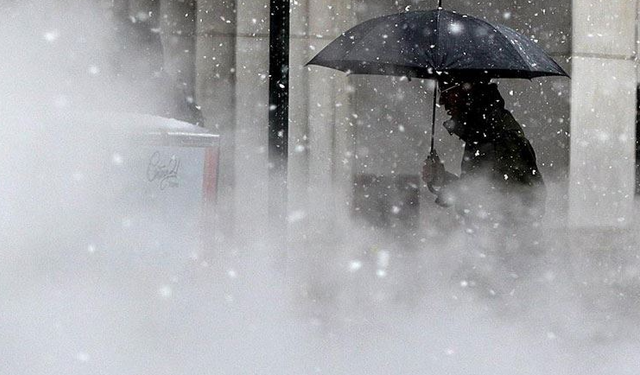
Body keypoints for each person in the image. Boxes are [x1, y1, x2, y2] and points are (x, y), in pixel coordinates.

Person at [422, 79, 546, 295]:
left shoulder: (496, 135)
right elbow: (479, 195)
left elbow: (504, 202)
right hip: (492, 259)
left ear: (467, 89)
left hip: (504, 264)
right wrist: (441, 179)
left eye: (447, 90)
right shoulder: (482, 133)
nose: (441, 101)